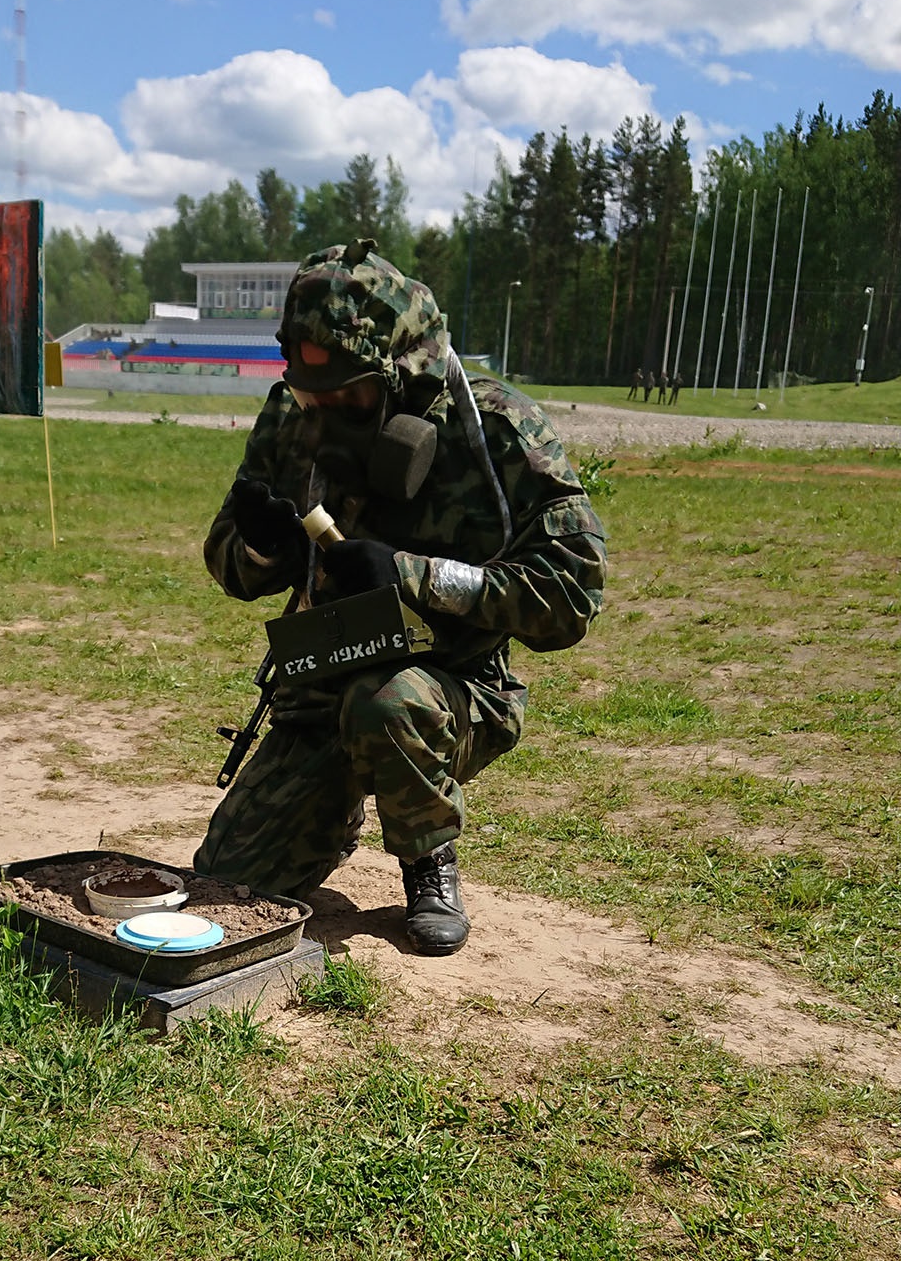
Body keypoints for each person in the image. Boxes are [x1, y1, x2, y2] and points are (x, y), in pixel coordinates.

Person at [195, 240, 606, 955]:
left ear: (401, 375)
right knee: (229, 881)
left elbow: (572, 594)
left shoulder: (495, 431)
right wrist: (267, 546)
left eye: (347, 396)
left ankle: (427, 857)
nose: (323, 412)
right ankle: (339, 799)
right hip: (320, 692)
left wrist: (415, 575)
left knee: (388, 703)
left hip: (453, 692)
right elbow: (231, 567)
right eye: (310, 393)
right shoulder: (295, 419)